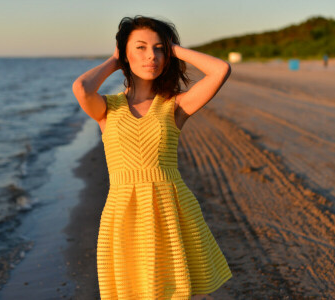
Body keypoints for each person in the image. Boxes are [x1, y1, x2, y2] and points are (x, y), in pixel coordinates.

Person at [72, 15, 232, 300]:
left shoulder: (174, 105)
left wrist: (175, 49)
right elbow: (82, 89)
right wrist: (115, 59)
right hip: (124, 213)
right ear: (125, 53)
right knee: (131, 289)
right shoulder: (108, 108)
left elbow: (220, 70)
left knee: (171, 290)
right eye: (141, 47)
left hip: (170, 209)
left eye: (159, 49)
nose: (152, 56)